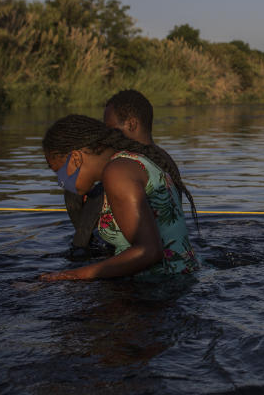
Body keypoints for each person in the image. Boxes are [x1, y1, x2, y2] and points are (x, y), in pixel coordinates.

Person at [40, 114, 199, 281]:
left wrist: (67, 275)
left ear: (76, 158)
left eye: (58, 172)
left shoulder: (117, 173)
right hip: (175, 280)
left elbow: (149, 251)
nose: (61, 182)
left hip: (160, 287)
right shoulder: (128, 162)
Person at [62, 89, 182, 260]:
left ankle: (82, 250)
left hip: (144, 256)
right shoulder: (163, 158)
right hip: (166, 247)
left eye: (110, 129)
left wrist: (77, 253)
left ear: (132, 124)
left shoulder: (125, 164)